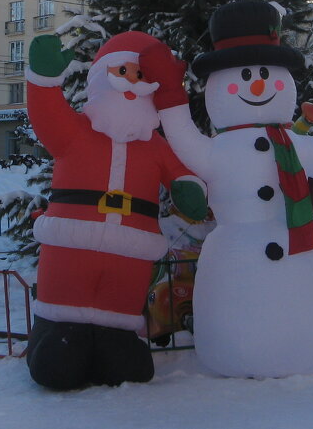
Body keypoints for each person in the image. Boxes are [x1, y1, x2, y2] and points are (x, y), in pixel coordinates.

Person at [24, 31, 206, 390]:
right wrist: (45, 80)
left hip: (131, 252)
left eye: (141, 77)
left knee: (122, 349)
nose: (133, 85)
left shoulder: (155, 146)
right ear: (101, 77)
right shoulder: (75, 133)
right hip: (70, 243)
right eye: (123, 71)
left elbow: (179, 174)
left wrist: (188, 189)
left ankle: (115, 340)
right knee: (57, 362)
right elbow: (47, 114)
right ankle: (57, 336)